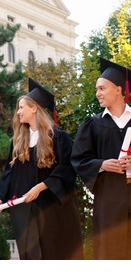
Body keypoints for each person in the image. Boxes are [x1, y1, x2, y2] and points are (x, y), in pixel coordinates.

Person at [0, 78, 83, 260]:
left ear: (34, 108)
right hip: (25, 211)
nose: (18, 112)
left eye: (21, 107)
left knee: (54, 254)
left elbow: (67, 170)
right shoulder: (18, 142)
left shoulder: (58, 138)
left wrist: (41, 186)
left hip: (52, 209)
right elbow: (10, 173)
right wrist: (0, 198)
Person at [71, 58, 131, 259]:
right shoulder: (93, 125)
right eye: (97, 89)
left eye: (102, 88)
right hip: (109, 201)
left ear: (118, 90)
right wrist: (102, 164)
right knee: (110, 254)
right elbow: (79, 159)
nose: (98, 93)